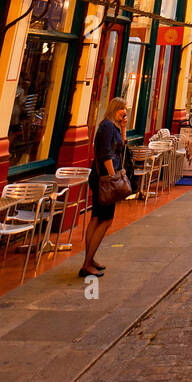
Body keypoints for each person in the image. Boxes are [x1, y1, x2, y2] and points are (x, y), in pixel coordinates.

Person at [82, 97, 132, 278]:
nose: (124, 112)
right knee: (103, 220)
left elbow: (121, 148)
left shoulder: (113, 126)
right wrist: (112, 177)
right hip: (104, 179)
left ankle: (90, 258)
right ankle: (87, 264)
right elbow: (106, 155)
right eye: (122, 109)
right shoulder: (107, 127)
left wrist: (124, 127)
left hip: (104, 178)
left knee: (97, 218)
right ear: (114, 109)